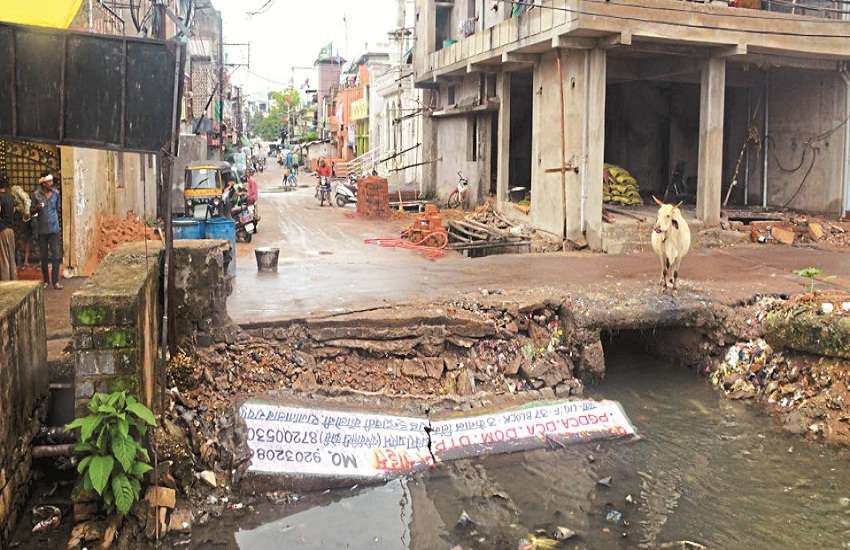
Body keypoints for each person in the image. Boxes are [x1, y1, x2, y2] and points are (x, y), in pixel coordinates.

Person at [31, 172, 62, 289]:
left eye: (51, 181)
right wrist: (37, 208)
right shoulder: (36, 195)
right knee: (43, 257)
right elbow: (31, 212)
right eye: (49, 182)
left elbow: (57, 208)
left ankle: (56, 282)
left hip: (54, 229)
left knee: (56, 256)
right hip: (41, 231)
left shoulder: (56, 194)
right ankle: (46, 281)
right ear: (43, 183)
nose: (51, 183)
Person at [0, 177, 17, 281]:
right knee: (11, 256)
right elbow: (14, 211)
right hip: (11, 229)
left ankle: (6, 282)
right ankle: (13, 279)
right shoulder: (10, 197)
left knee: (3, 258)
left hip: (2, 230)